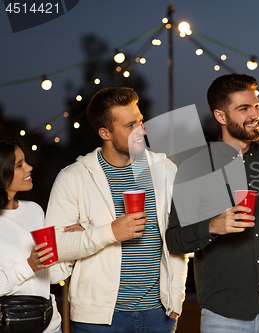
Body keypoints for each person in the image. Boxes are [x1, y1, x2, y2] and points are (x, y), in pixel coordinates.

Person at [44, 87, 188, 333]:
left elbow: (178, 238)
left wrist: (176, 298)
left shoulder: (165, 170)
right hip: (98, 319)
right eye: (130, 125)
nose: (141, 131)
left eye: (141, 122)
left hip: (159, 315)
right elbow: (53, 248)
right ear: (105, 132)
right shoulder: (74, 177)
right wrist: (109, 232)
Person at [166, 73, 259, 332]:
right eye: (244, 108)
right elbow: (173, 239)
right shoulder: (196, 167)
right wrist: (213, 225)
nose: (255, 114)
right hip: (224, 315)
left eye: (257, 105)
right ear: (221, 116)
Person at [0, 138, 81, 333]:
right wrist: (29, 265)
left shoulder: (34, 210)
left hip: (50, 326)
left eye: (25, 161)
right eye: (20, 165)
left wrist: (74, 247)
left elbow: (50, 276)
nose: (29, 167)